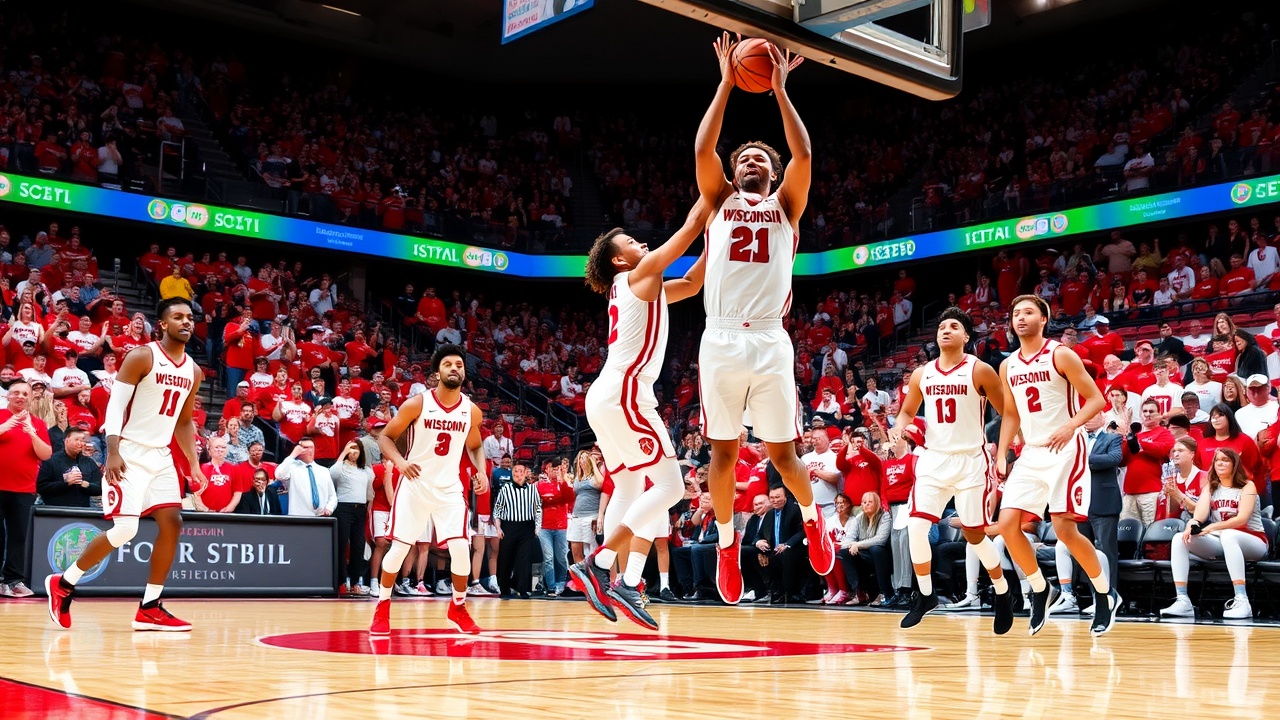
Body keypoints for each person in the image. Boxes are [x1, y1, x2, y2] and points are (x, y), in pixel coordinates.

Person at [692, 33, 833, 606]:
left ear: (772, 174)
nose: (752, 162)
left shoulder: (787, 206)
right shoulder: (717, 201)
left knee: (783, 456)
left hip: (771, 340)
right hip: (722, 337)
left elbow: (804, 155)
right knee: (722, 454)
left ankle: (813, 520)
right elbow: (703, 149)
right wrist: (726, 83)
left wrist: (779, 89)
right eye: (744, 159)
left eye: (761, 160)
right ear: (734, 172)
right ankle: (728, 544)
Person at [568, 198, 709, 628]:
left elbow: (691, 284)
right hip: (627, 392)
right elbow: (688, 228)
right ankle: (600, 563)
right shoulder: (638, 274)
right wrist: (715, 200)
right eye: (632, 241)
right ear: (619, 259)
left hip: (607, 394)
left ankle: (627, 581)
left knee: (630, 486)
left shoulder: (640, 285)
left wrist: (715, 244)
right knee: (670, 486)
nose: (642, 243)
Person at [46, 297, 206, 631]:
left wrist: (194, 464)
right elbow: (115, 408)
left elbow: (184, 421)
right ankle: (64, 583)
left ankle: (150, 606)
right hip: (128, 451)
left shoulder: (193, 370)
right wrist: (113, 450)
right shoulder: (142, 356)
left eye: (190, 317)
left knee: (172, 522)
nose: (186, 322)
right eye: (178, 317)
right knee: (125, 530)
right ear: (162, 324)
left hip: (161, 455)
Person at [996, 295, 1119, 637]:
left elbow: (1096, 399)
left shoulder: (1060, 354)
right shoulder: (1008, 366)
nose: (1021, 317)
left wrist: (1070, 426)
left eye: (1028, 312)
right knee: (1007, 526)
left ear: (1043, 319)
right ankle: (1041, 588)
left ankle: (1105, 594)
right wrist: (1002, 452)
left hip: (1066, 448)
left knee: (1065, 530)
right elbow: (1011, 413)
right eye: (1016, 313)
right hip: (1032, 452)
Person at [892, 306, 1015, 633]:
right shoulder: (921, 374)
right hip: (934, 459)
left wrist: (1003, 451)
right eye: (942, 326)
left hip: (971, 461)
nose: (946, 330)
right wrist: (898, 428)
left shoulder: (980, 370)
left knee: (974, 534)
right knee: (916, 527)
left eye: (953, 326)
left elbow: (1007, 413)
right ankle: (926, 595)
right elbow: (906, 412)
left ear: (966, 336)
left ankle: (1002, 591)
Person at [370, 344, 487, 637]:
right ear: (437, 373)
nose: (454, 368)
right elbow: (385, 438)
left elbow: (475, 446)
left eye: (459, 365)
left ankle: (457, 607)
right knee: (399, 548)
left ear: (464, 372)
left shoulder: (471, 411)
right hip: (415, 485)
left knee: (461, 549)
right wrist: (400, 462)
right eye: (448, 364)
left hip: (449, 489)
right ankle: (382, 606)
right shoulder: (417, 404)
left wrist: (481, 471)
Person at [1161, 448, 1268, 620]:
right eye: (1217, 460)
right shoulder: (1210, 487)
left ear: (1235, 464)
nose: (1220, 463)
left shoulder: (1248, 486)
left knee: (1229, 535)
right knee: (1179, 539)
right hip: (1223, 542)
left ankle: (1242, 600)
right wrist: (1192, 524)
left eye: (1225, 460)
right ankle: (1183, 600)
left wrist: (1212, 527)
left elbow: (1242, 519)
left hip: (1254, 541)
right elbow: (1199, 516)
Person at [1048, 412, 1122, 615]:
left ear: (1103, 418)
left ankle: (1109, 597)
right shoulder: (1075, 439)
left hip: (1104, 503)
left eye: (1092, 415)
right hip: (1080, 504)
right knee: (1083, 551)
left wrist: (1082, 460)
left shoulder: (1112, 438)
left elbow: (1114, 458)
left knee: (1106, 551)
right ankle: (1092, 596)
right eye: (1085, 416)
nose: (1087, 419)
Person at [35, 427, 101, 508]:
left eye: (82, 440)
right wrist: (66, 483)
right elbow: (41, 488)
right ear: (66, 441)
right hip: (56, 511)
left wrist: (85, 484)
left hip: (83, 511)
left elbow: (100, 488)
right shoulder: (52, 462)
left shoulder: (89, 463)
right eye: (77, 440)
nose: (80, 443)